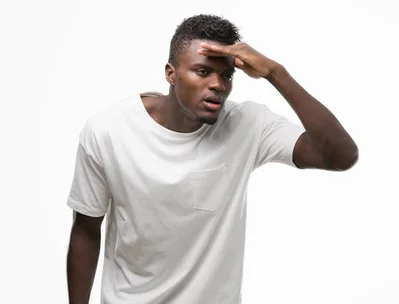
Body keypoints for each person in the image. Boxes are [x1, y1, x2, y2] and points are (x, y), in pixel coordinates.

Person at [66, 14, 358, 304]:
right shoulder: (108, 131)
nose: (218, 84)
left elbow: (341, 156)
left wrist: (276, 73)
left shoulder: (248, 124)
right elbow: (86, 230)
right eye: (203, 71)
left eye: (227, 75)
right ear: (171, 74)